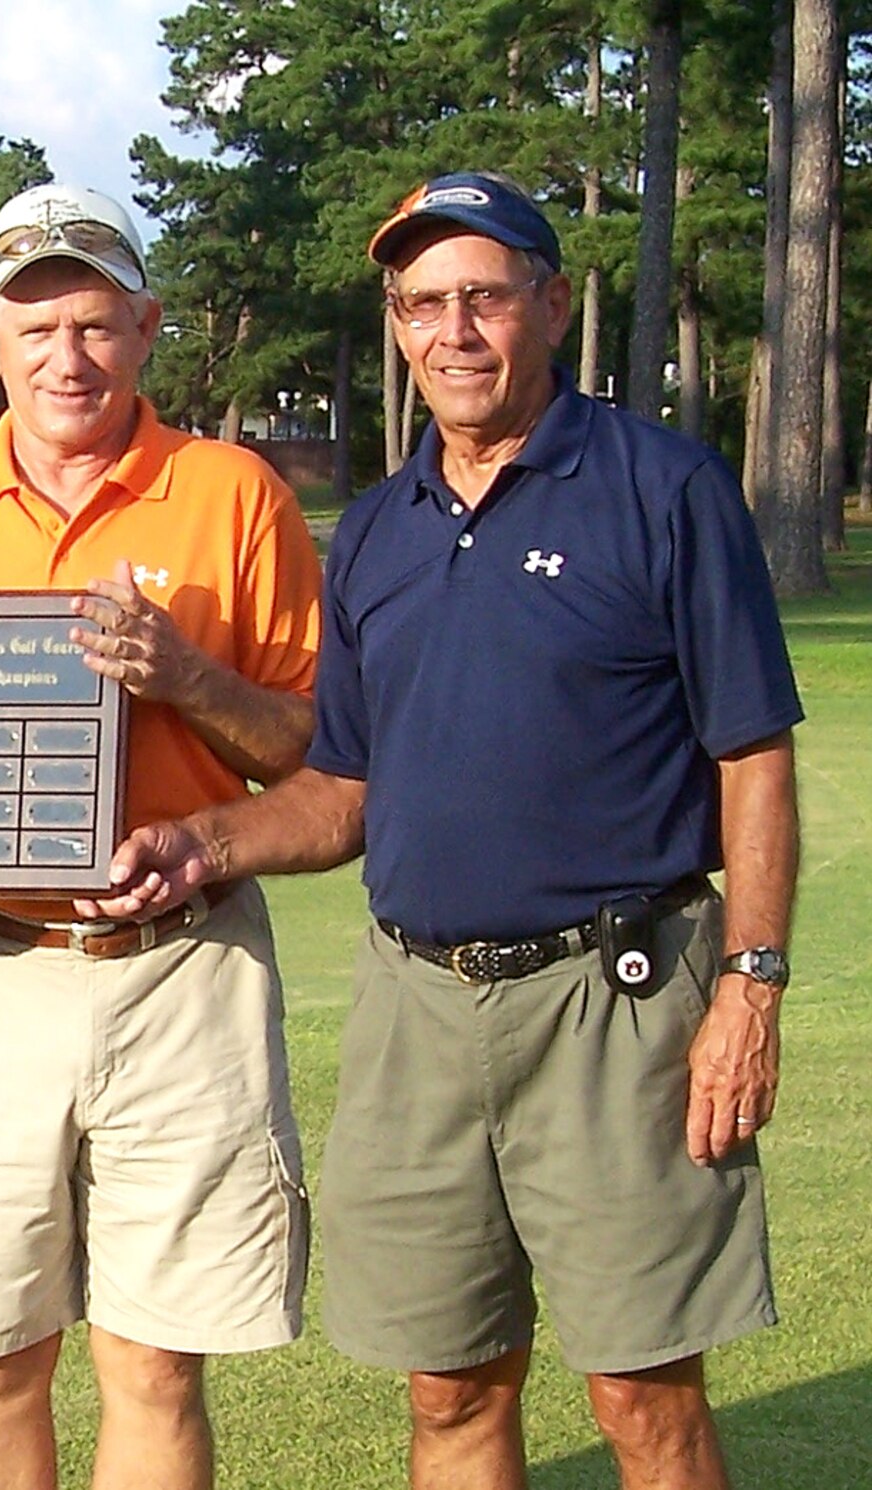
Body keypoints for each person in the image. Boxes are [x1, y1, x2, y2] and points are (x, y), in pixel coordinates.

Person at [156, 172, 801, 1490]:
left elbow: (753, 753)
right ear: (397, 326)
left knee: (642, 1393)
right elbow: (342, 788)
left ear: (551, 307)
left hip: (617, 1000)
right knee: (449, 1389)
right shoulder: (380, 529)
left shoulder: (664, 488)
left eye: (484, 297)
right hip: (420, 1008)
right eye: (422, 303)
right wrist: (202, 846)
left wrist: (753, 981)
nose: (453, 330)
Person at [0, 183, 325, 1490]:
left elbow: (312, 755)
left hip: (182, 968)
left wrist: (185, 676)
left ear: (148, 327)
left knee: (156, 1360)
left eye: (99, 322)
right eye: (37, 323)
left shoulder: (233, 494)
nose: (70, 355)